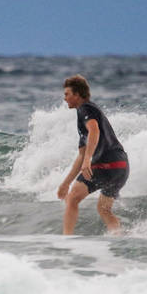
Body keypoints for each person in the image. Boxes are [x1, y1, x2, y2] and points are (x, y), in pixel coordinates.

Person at [56, 75, 128, 235]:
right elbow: (81, 155)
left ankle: (66, 241)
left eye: (67, 94)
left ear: (77, 94)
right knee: (104, 209)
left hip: (106, 164)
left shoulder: (85, 108)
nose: (65, 98)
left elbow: (94, 130)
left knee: (72, 198)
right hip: (121, 167)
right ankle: (119, 237)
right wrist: (65, 183)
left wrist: (88, 160)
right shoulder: (87, 112)